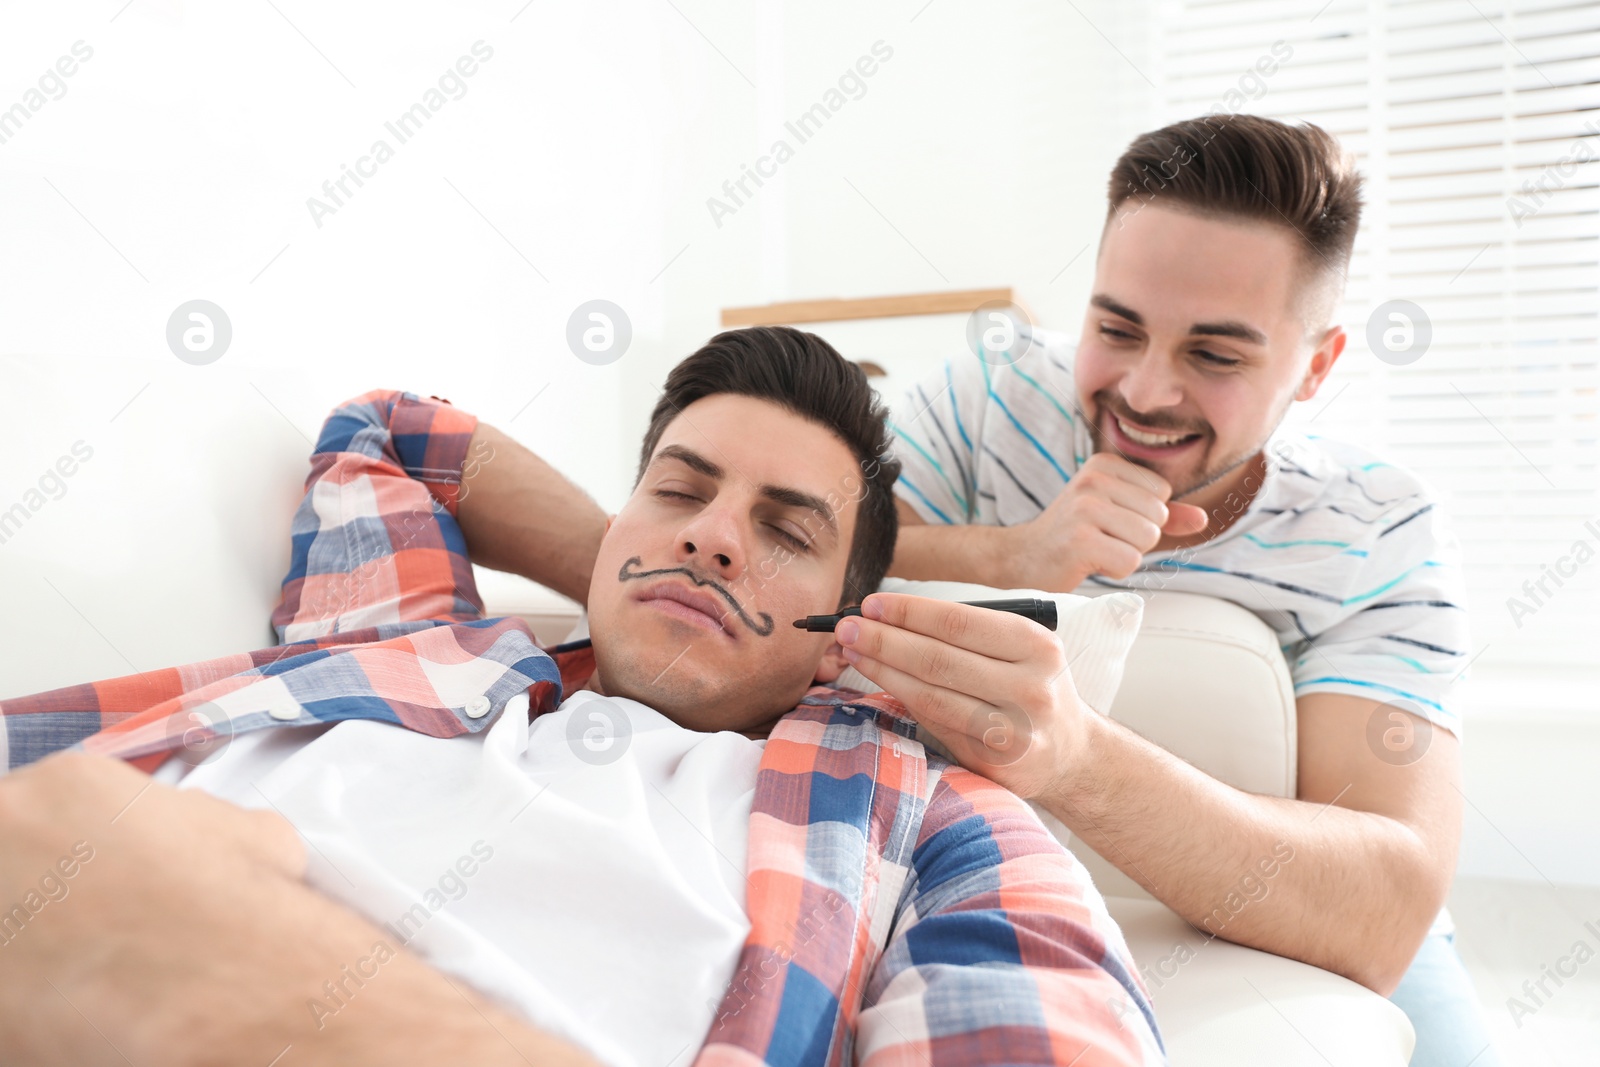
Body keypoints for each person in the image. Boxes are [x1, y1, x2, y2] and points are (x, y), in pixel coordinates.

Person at [0, 326, 1165, 1067]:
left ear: (835, 639)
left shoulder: (909, 816)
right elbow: (392, 434)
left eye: (782, 530)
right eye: (680, 490)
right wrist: (634, 571)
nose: (712, 533)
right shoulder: (422, 644)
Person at [862, 114, 1498, 1067]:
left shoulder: (1377, 532)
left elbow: (1380, 910)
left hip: (1296, 922)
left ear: (1316, 365)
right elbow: (811, 551)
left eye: (1216, 354)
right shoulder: (989, 401)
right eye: (1116, 328)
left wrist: (1077, 758)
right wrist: (1015, 558)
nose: (1146, 392)